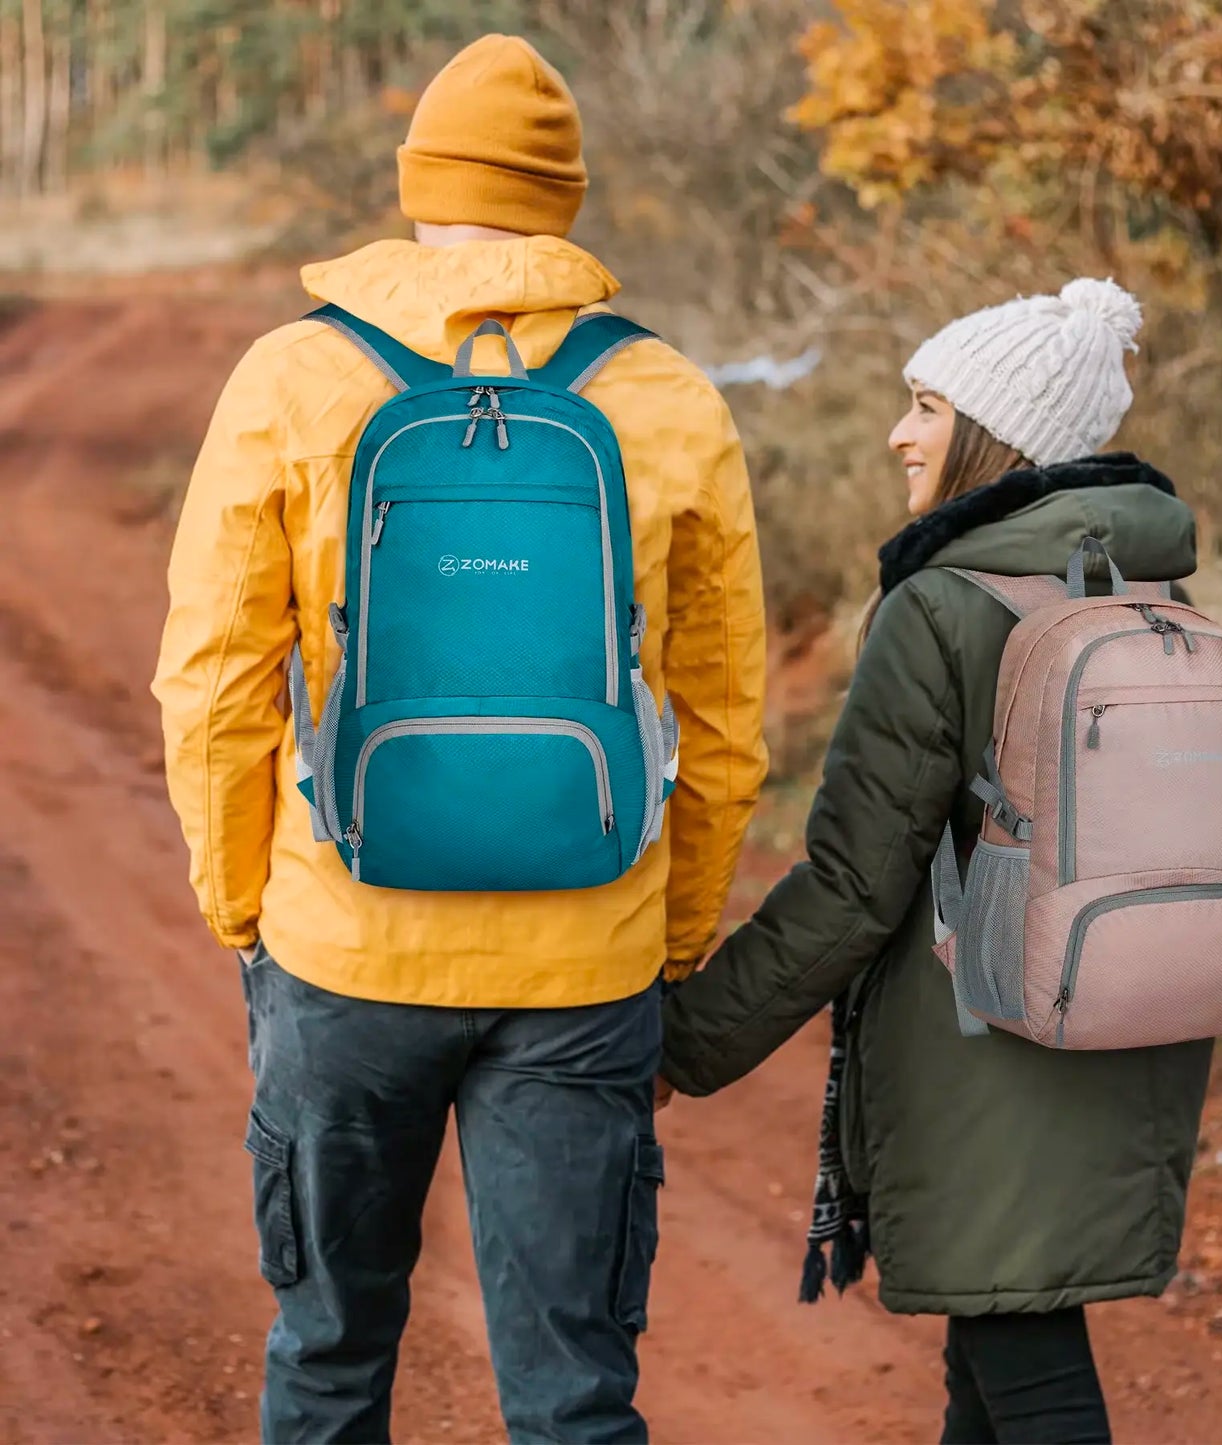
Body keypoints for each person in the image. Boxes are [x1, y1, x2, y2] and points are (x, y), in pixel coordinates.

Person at [152, 34, 767, 1444]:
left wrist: (243, 901)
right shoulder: (663, 395)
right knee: (573, 1396)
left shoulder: (295, 378)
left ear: (417, 183)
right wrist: (669, 936)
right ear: (566, 198)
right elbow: (727, 717)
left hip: (345, 943)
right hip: (585, 954)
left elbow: (212, 678)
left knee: (327, 1355)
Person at [659, 279, 1213, 1445]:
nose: (898, 433)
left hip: (986, 1050)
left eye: (923, 405)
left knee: (1029, 1366)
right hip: (1123, 1025)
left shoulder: (941, 605)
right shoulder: (1155, 586)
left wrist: (684, 1039)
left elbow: (855, 882)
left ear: (990, 435)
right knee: (994, 1340)